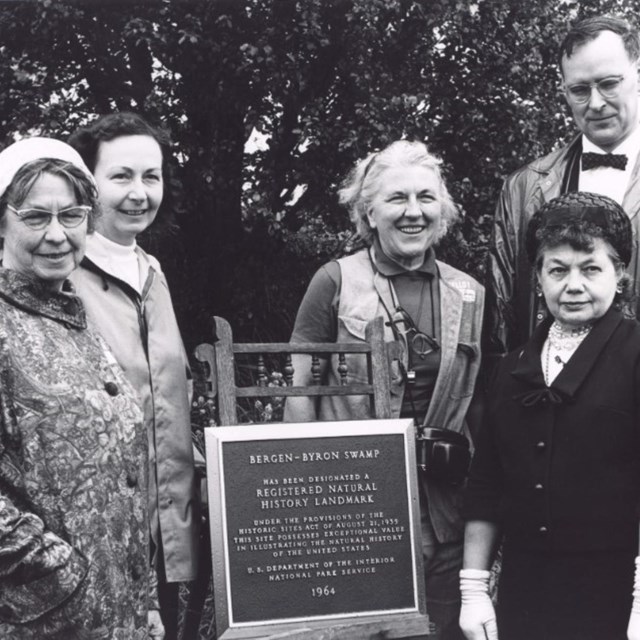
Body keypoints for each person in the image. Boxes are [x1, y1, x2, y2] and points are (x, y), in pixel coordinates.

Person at [284, 140, 485, 640]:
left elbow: (479, 401)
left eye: (426, 197)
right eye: (397, 199)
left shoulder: (470, 292)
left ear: (444, 210)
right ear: (368, 211)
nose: (413, 212)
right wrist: (304, 502)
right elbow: (300, 391)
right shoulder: (333, 281)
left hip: (445, 511)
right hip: (357, 511)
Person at [0, 137, 162, 638]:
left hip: (119, 617)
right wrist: (62, 575)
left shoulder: (77, 320)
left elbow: (124, 477)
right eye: (34, 217)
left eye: (71, 216)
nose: (56, 234)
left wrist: (144, 597)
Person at [460, 191, 640, 640]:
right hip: (526, 594)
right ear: (538, 276)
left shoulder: (636, 354)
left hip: (614, 592)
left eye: (590, 268)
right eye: (557, 269)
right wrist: (474, 588)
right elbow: (487, 482)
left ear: (620, 274)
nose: (572, 284)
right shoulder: (513, 365)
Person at [67, 113, 199, 638]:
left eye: (152, 176)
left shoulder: (154, 273)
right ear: (87, 182)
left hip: (165, 531)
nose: (139, 193)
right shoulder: (58, 276)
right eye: (121, 176)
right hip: (93, 535)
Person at [485, 15, 640, 364]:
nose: (596, 103)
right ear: (565, 91)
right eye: (581, 90)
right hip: (547, 399)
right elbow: (502, 311)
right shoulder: (523, 187)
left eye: (609, 84)